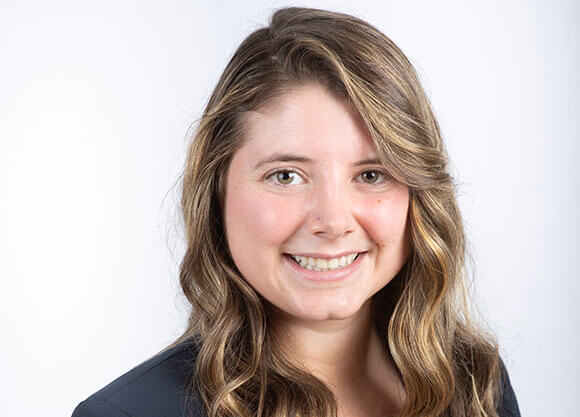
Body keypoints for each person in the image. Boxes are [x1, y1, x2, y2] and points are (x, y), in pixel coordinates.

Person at [72, 7, 521, 417]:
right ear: (216, 191)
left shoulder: (475, 385)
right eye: (286, 176)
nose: (333, 222)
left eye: (371, 175)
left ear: (418, 195)